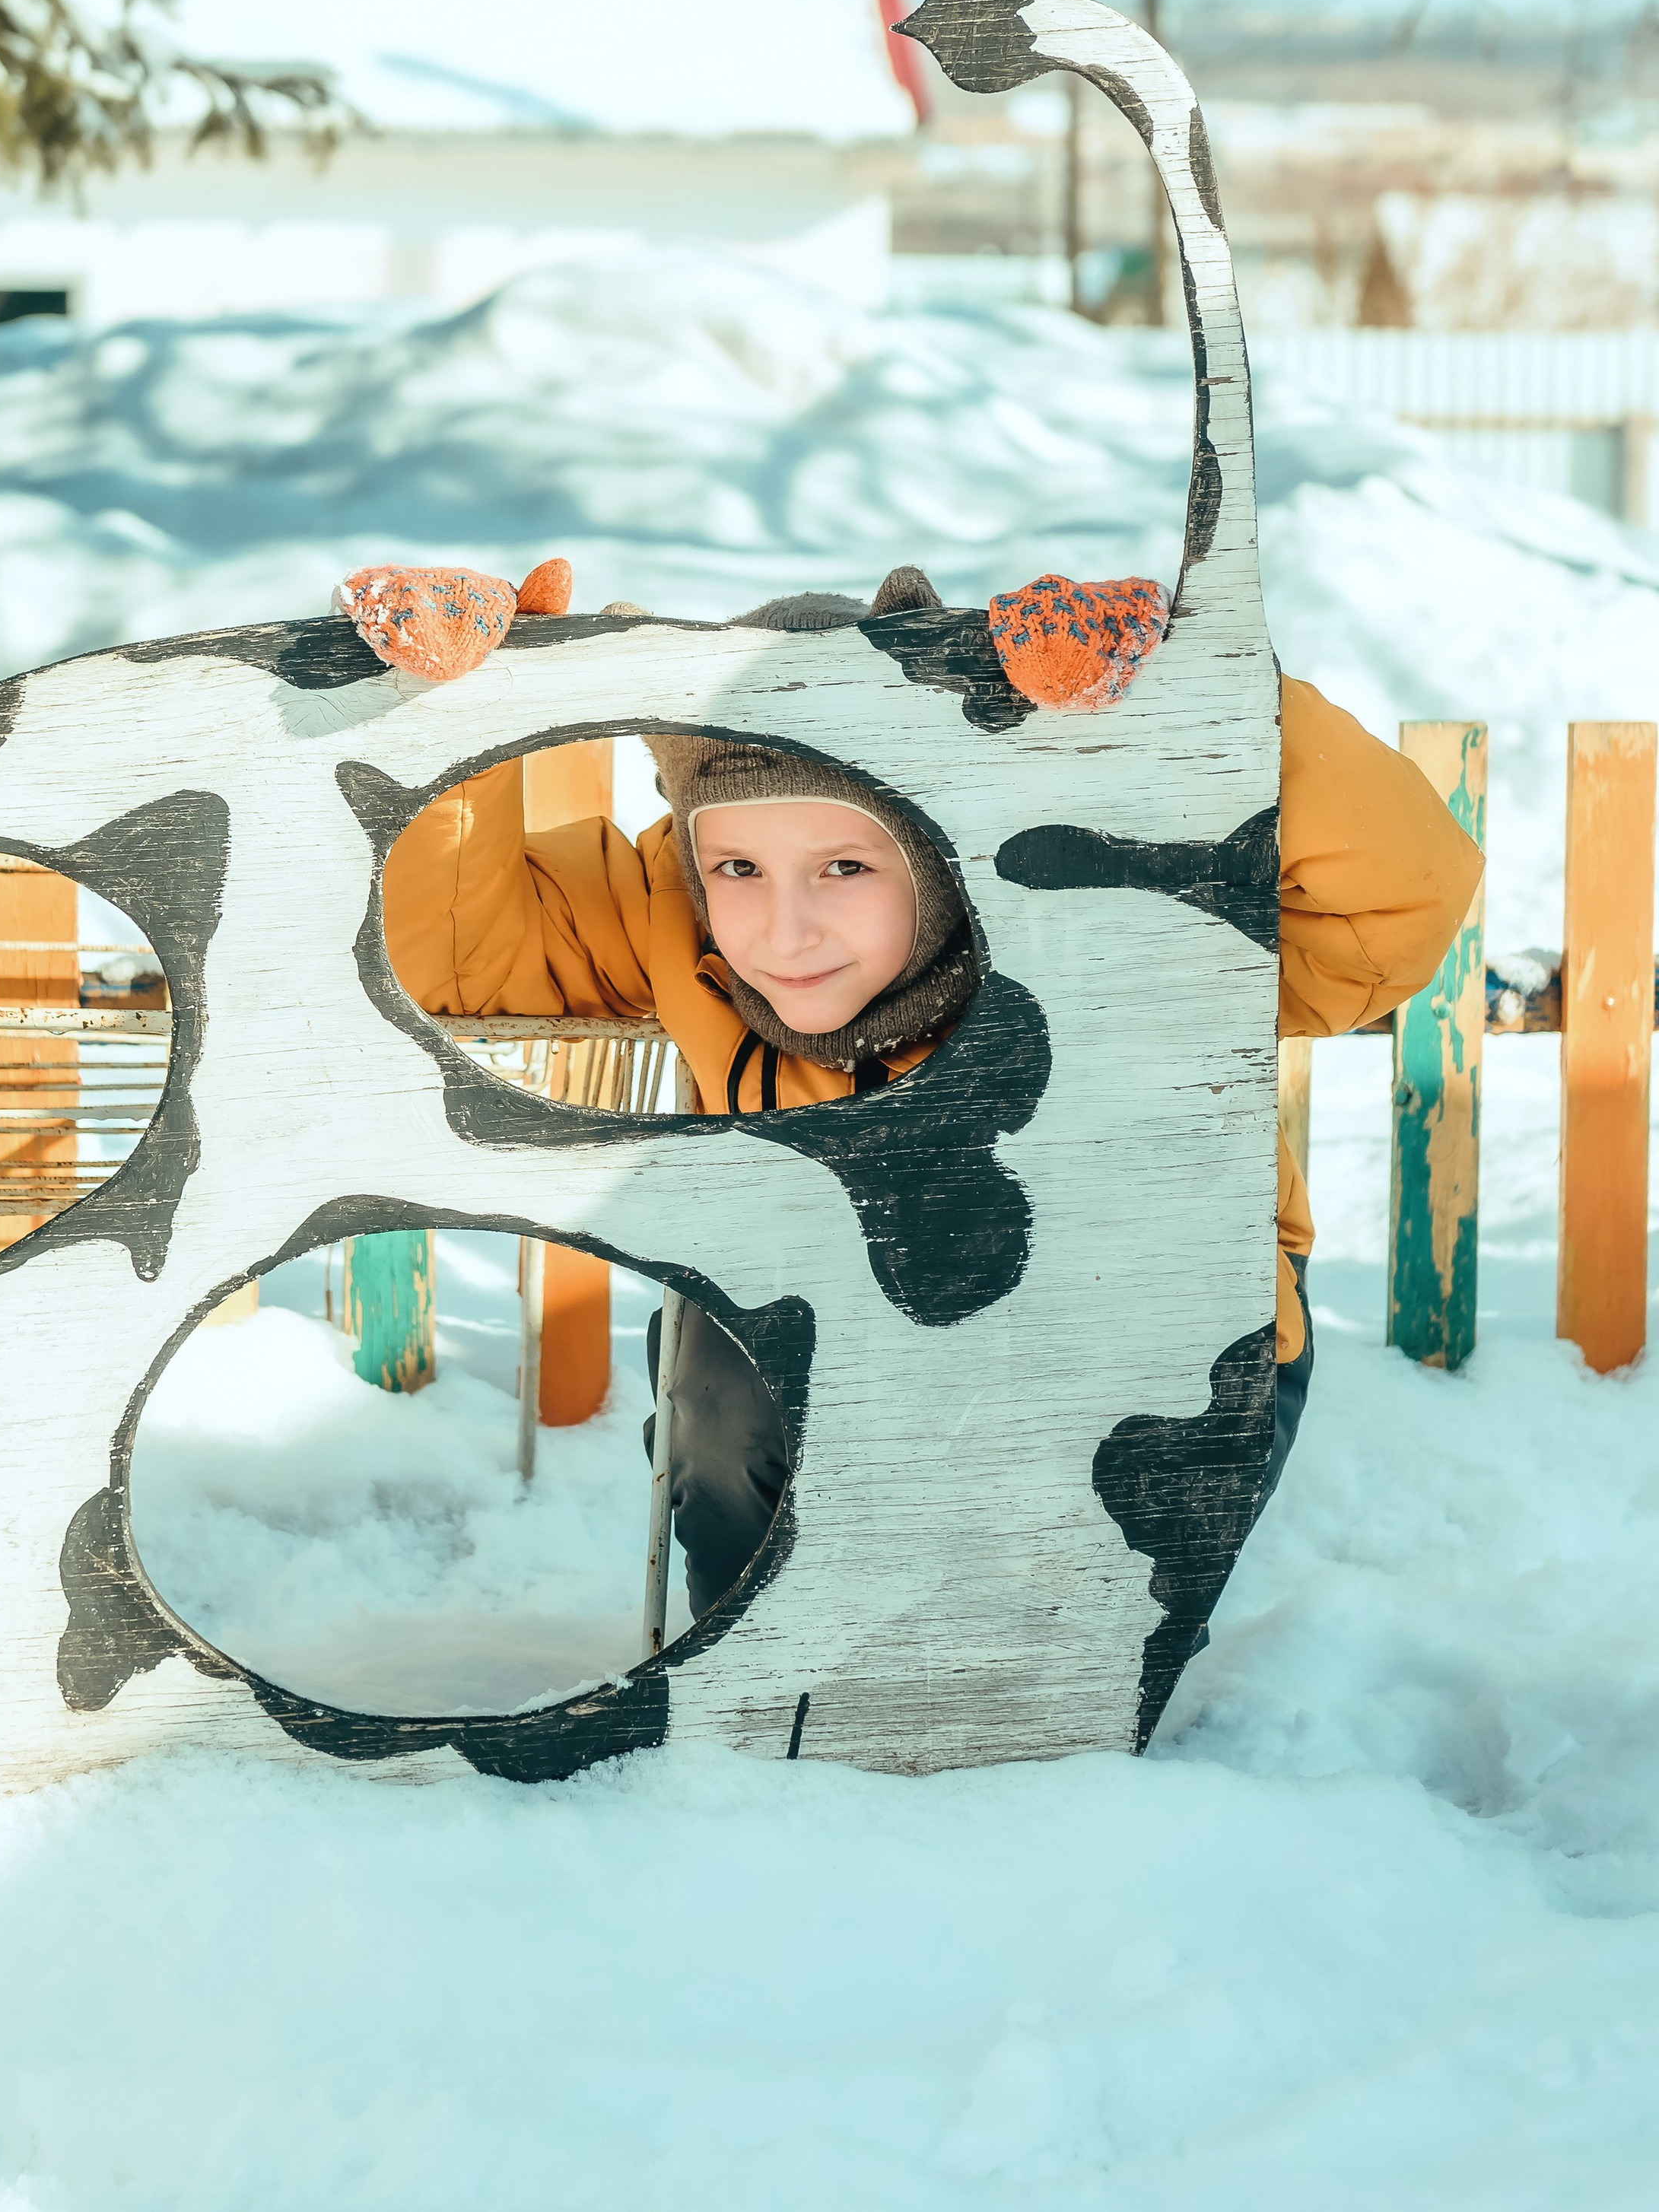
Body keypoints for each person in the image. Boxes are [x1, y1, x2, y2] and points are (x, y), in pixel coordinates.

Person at [360, 557, 1485, 1621]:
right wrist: (442, 711)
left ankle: (1049, 1714)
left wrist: (1206, 698)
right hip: (812, 1347)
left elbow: (1396, 902)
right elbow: (459, 953)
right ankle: (758, 1678)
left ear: (935, 846)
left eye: (845, 866)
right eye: (738, 867)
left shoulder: (1090, 895)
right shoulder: (669, 909)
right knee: (731, 1375)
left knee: (1049, 1557)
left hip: (1134, 1330)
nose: (784, 928)